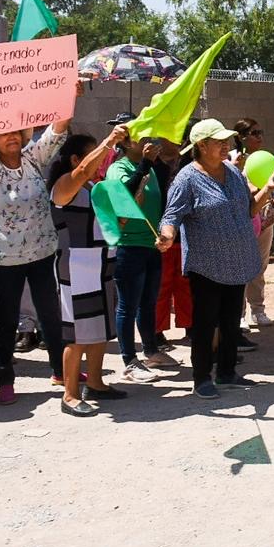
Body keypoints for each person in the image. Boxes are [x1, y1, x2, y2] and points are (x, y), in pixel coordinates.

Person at [157, 119, 274, 398]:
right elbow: (171, 215)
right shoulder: (187, 178)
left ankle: (226, 373)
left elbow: (249, 209)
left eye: (227, 140)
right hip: (207, 265)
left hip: (237, 261)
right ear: (201, 145)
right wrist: (167, 236)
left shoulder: (232, 173)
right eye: (219, 141)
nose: (227, 146)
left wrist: (268, 189)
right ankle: (201, 378)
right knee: (204, 324)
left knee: (229, 322)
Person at [0, 103, 70, 405]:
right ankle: (4, 379)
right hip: (5, 258)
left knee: (50, 313)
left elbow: (57, 130)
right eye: (3, 133)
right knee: (6, 319)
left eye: (15, 131)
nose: (11, 137)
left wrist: (65, 97)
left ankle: (60, 370)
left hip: (42, 250)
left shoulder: (32, 157)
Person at [49, 129, 128, 416]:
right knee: (78, 334)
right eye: (98, 153)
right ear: (75, 159)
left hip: (102, 267)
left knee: (100, 330)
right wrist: (108, 140)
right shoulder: (63, 187)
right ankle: (69, 394)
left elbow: (113, 226)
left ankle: (95, 383)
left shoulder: (96, 190)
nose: (106, 158)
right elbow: (82, 172)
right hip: (77, 271)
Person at [106, 126, 173, 382]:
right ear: (125, 143)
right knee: (128, 305)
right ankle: (129, 361)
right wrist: (144, 164)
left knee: (149, 301)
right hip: (128, 246)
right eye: (139, 135)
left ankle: (151, 350)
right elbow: (122, 198)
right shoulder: (118, 168)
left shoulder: (153, 168)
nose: (147, 138)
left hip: (151, 244)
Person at [231, 118, 274, 329]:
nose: (260, 137)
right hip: (242, 222)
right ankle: (238, 313)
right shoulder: (232, 160)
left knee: (259, 265)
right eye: (254, 133)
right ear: (242, 137)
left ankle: (258, 309)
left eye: (261, 132)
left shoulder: (266, 159)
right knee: (239, 267)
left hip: (265, 220)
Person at [153, 134, 192, 345]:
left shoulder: (189, 162)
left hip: (185, 233)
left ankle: (189, 326)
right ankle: (157, 331)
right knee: (162, 286)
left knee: (185, 285)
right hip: (161, 233)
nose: (177, 141)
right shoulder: (153, 163)